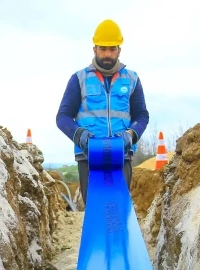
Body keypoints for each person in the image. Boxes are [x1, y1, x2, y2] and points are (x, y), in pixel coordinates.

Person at [55, 19, 149, 204]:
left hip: (121, 155)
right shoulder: (79, 79)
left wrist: (131, 135)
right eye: (103, 49)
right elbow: (62, 117)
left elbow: (141, 116)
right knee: (95, 211)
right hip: (88, 157)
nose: (107, 54)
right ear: (94, 49)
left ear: (119, 50)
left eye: (112, 49)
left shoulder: (132, 79)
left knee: (119, 210)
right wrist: (80, 135)